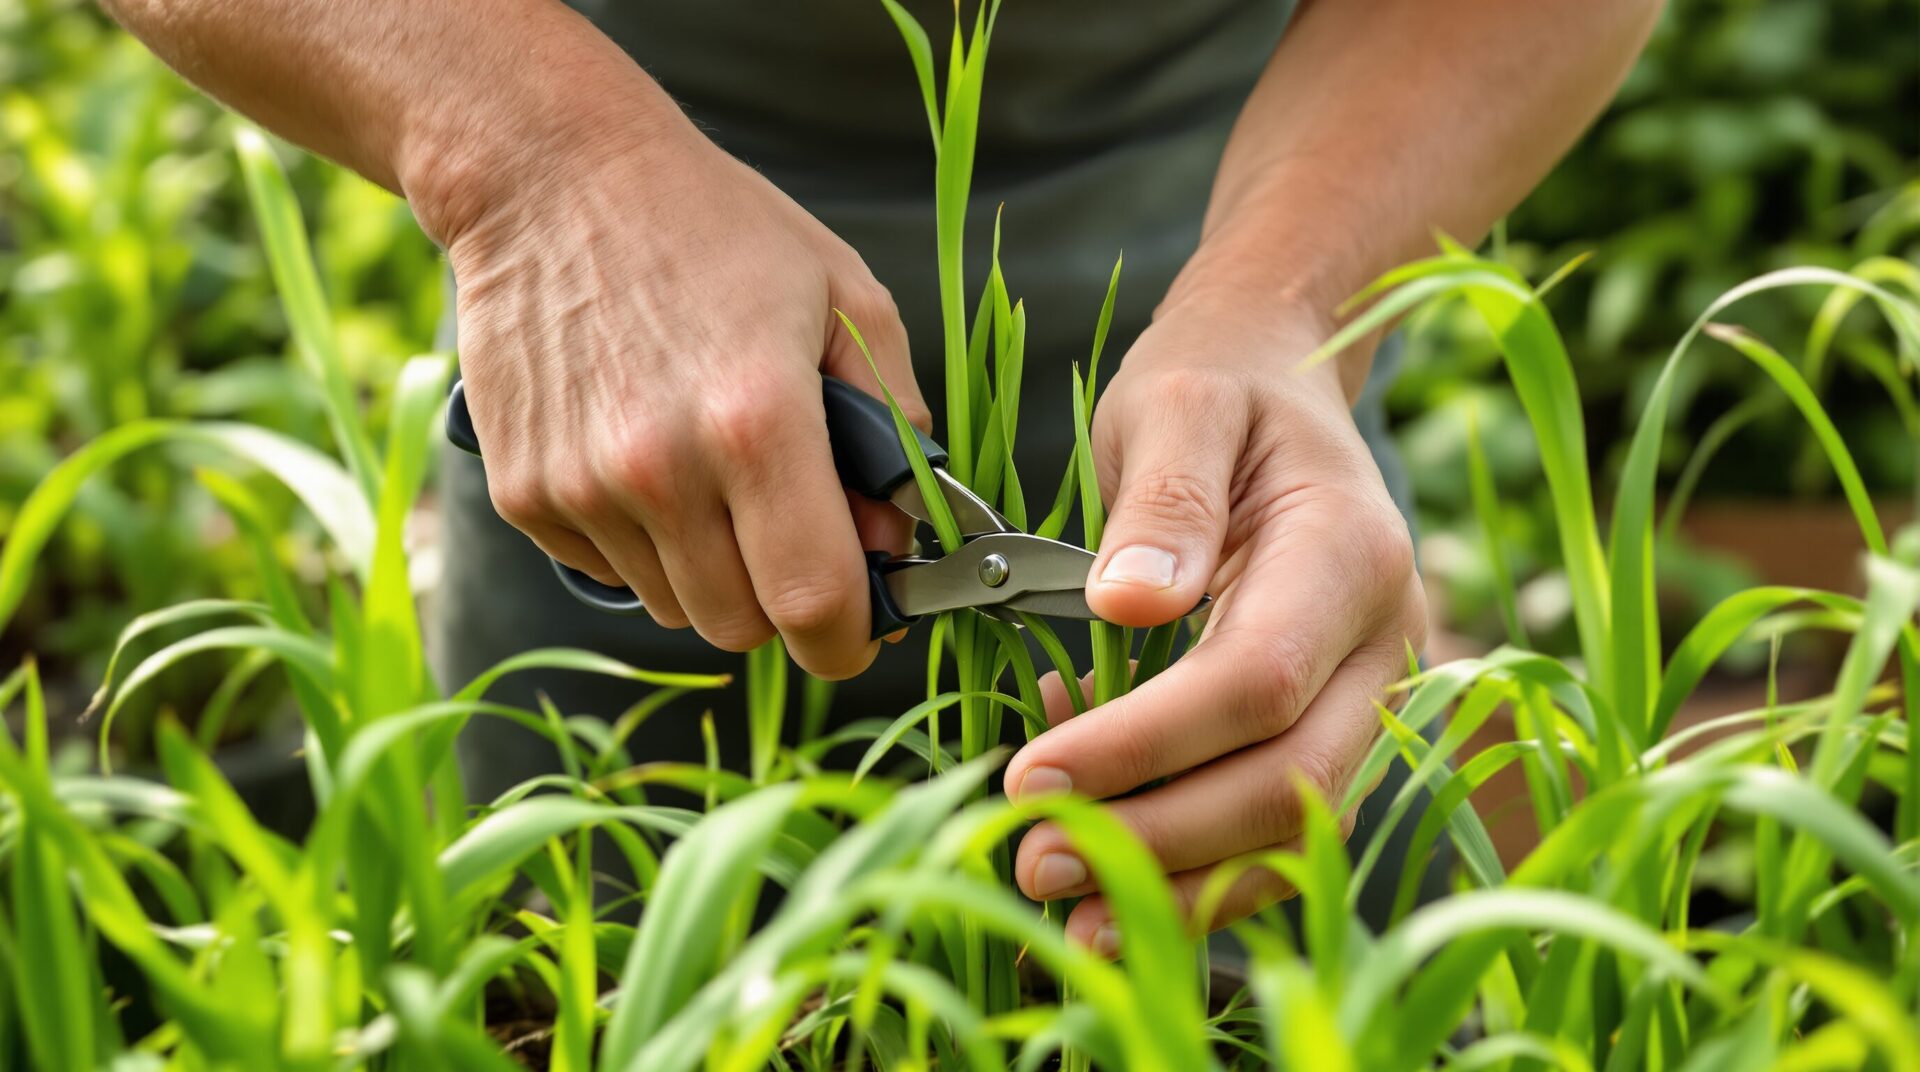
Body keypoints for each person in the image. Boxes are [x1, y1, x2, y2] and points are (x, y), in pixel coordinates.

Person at [103, 0, 1659, 951]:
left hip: (1252, 481)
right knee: (595, 965)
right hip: (620, 473)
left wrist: (1297, 302)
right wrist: (528, 163)